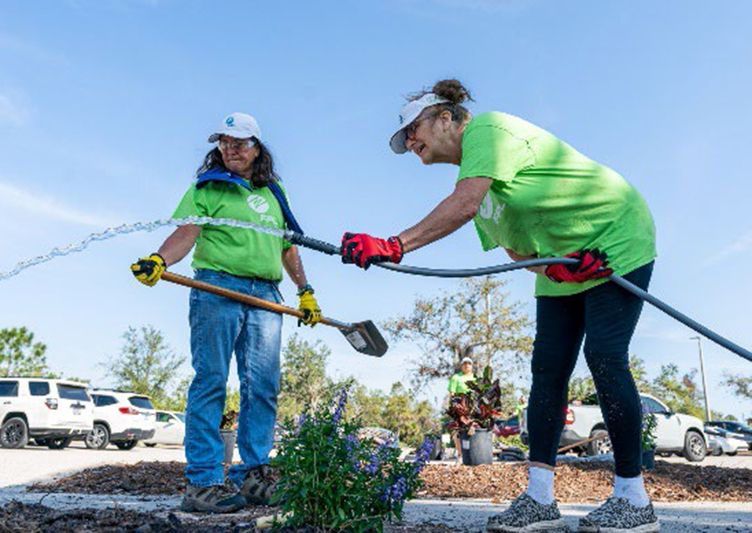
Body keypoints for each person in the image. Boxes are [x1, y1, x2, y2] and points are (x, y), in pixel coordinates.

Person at [340, 80, 658, 532]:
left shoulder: (485, 132)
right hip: (565, 263)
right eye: (404, 138)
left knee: (604, 355)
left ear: (446, 118)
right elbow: (517, 254)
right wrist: (559, 273)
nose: (410, 143)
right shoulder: (478, 180)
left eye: (414, 130)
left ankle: (633, 499)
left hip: (616, 239)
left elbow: (463, 204)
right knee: (547, 370)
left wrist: (395, 245)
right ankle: (540, 500)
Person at [131, 112, 322, 514]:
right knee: (211, 381)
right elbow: (188, 232)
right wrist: (159, 260)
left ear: (257, 148)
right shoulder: (207, 188)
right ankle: (202, 482)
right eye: (224, 142)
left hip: (266, 294)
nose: (231, 149)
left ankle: (255, 475)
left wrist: (304, 292)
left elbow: (288, 245)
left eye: (240, 142)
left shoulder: (274, 192)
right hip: (217, 288)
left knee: (263, 385)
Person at [447, 357, 476, 463]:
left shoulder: (475, 378)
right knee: (457, 430)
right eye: (464, 363)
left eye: (469, 363)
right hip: (459, 405)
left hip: (473, 407)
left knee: (474, 429)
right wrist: (454, 405)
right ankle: (460, 455)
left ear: (472, 366)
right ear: (461, 366)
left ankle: (473, 454)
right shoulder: (456, 377)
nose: (467, 365)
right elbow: (452, 393)